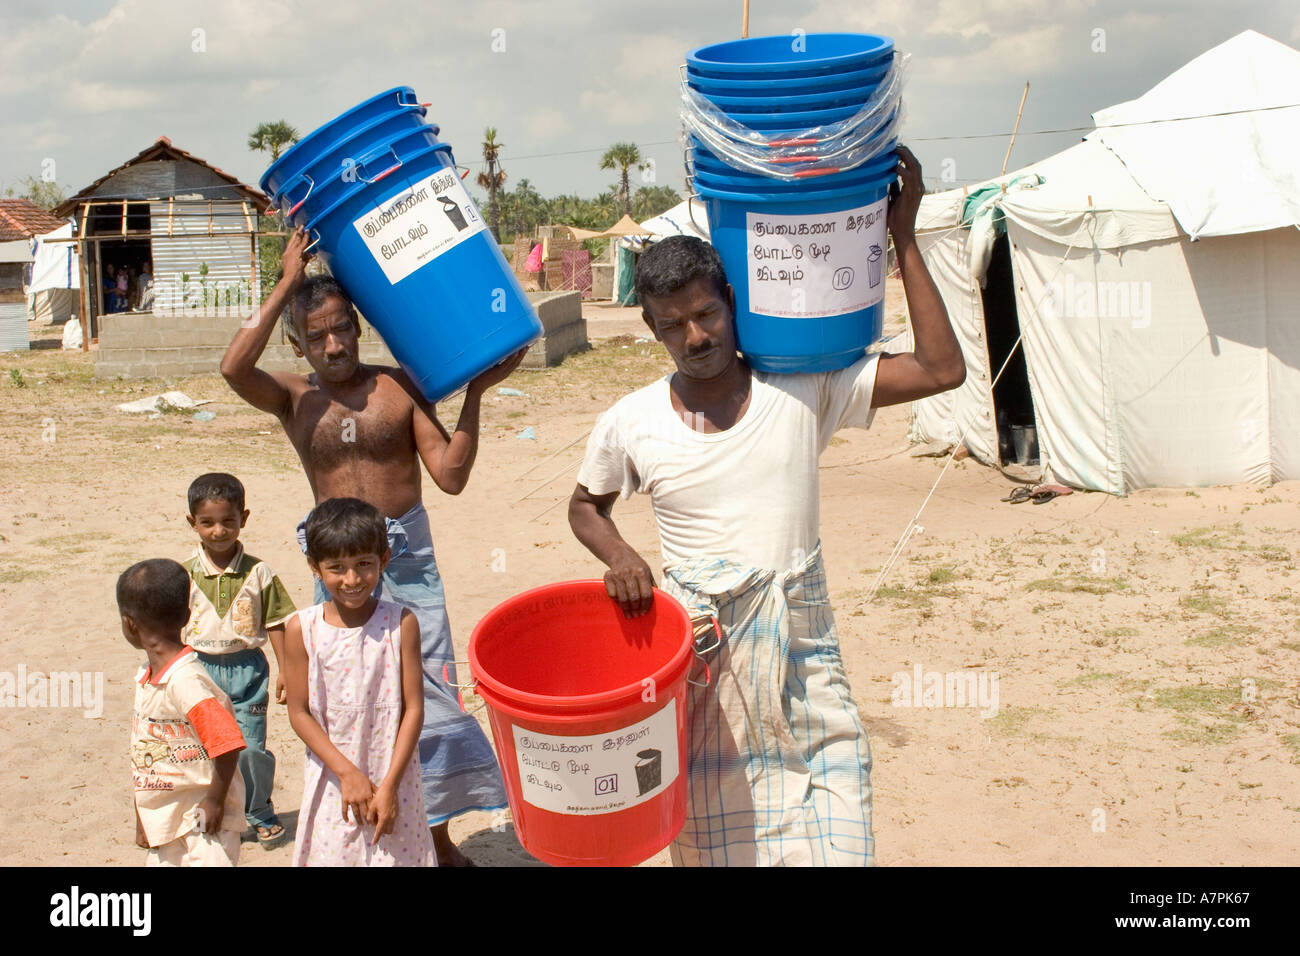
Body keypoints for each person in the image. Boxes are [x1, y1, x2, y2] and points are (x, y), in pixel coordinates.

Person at [567, 146, 965, 866]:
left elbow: (943, 368)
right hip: (703, 665)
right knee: (724, 851)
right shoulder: (632, 421)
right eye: (671, 326)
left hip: (804, 655)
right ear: (652, 330)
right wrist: (621, 555)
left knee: (839, 839)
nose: (694, 337)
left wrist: (902, 235)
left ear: (731, 299)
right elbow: (585, 506)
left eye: (705, 313)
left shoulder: (803, 389)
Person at [219, 229, 522, 865]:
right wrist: (287, 280)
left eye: (343, 330)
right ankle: (351, 834)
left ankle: (433, 839)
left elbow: (452, 476)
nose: (333, 345)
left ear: (358, 328)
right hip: (336, 566)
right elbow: (232, 367)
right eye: (317, 335)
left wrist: (476, 393)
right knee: (343, 698)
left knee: (429, 696)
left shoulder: (399, 388)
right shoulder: (293, 399)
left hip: (406, 556)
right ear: (297, 343)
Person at [284, 497, 435, 866]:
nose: (352, 580)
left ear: (383, 560)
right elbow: (299, 712)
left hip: (394, 775)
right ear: (314, 568)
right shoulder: (301, 629)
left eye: (363, 565)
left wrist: (390, 785)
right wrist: (347, 773)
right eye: (337, 568)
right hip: (333, 776)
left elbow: (413, 708)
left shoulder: (401, 624)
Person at [182, 472, 296, 848]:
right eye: (207, 523)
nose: (218, 531)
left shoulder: (259, 571)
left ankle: (259, 810)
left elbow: (278, 621)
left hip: (249, 671)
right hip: (200, 671)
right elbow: (171, 626)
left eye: (228, 521)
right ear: (192, 524)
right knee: (204, 747)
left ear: (243, 519)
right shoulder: (184, 574)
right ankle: (212, 807)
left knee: (250, 748)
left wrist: (285, 669)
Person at [121, 558, 247, 867]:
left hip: (201, 822)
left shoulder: (185, 681)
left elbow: (228, 743)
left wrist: (214, 800)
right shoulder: (146, 675)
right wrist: (144, 816)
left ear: (129, 623)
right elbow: (145, 753)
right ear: (187, 617)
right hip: (167, 817)